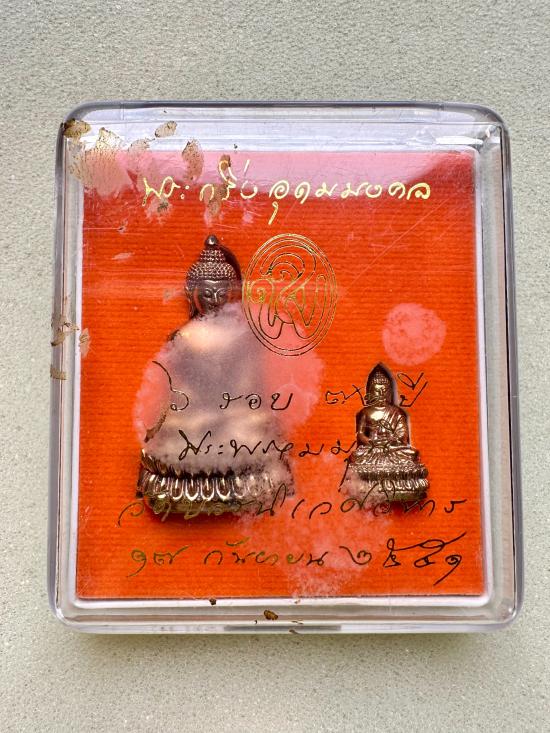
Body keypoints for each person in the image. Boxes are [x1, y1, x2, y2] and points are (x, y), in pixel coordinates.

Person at [134, 234, 291, 518]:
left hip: (235, 418)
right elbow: (178, 390)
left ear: (231, 294)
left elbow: (250, 389)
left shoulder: (244, 337)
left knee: (256, 431)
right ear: (193, 293)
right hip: (194, 419)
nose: (214, 301)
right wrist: (187, 411)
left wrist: (234, 409)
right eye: (206, 294)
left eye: (221, 294)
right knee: (170, 440)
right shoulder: (182, 336)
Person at [347, 363, 428, 503]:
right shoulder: (366, 412)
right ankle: (390, 481)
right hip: (372, 448)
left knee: (411, 453)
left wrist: (391, 440)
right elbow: (360, 434)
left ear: (390, 392)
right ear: (370, 392)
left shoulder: (396, 412)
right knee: (356, 456)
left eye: (384, 391)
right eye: (377, 391)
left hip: (392, 448)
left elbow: (403, 434)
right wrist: (371, 442)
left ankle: (374, 482)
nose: (381, 394)